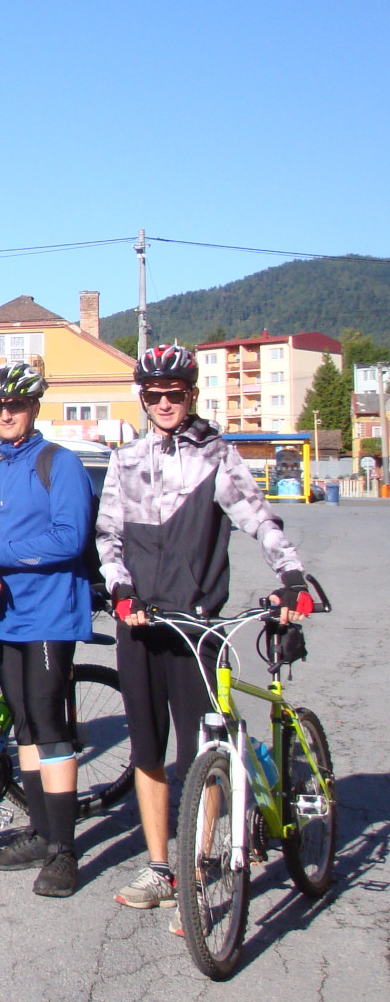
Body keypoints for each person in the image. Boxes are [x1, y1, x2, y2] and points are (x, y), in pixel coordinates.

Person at [97, 344, 314, 920]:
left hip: (196, 626)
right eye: (154, 395)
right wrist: (120, 589)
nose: (164, 403)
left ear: (192, 395)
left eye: (175, 394)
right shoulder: (126, 460)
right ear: (143, 399)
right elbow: (108, 537)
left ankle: (196, 870)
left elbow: (260, 520)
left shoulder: (217, 455)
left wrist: (292, 575)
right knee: (147, 751)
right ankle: (160, 866)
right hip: (140, 624)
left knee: (202, 754)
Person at [0, 363, 94, 898]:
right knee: (25, 728)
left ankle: (64, 851)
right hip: (6, 616)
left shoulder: (59, 462)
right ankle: (40, 832)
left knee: (49, 723)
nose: (5, 413)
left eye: (14, 404)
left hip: (49, 614)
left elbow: (69, 538)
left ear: (34, 407)